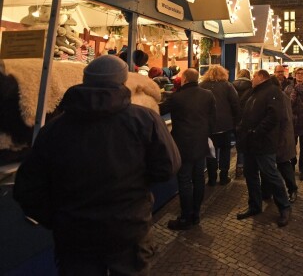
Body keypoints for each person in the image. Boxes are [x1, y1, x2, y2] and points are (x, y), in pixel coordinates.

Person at [13, 55, 181, 275]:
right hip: (128, 230)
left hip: (75, 237)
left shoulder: (53, 130)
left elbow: (28, 187)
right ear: (123, 81)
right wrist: (138, 194)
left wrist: (58, 219)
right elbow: (168, 166)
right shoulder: (145, 119)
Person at [236, 69, 292, 227]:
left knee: (271, 174)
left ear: (261, 77)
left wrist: (256, 131)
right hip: (249, 143)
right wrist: (241, 128)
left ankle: (284, 207)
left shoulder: (273, 92)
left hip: (263, 142)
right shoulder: (253, 92)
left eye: (254, 76)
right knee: (250, 174)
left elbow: (274, 116)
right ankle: (255, 205)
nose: (252, 79)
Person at [161, 68, 216, 230]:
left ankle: (185, 217)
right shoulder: (207, 95)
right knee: (198, 179)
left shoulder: (176, 97)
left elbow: (158, 110)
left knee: (184, 181)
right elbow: (213, 119)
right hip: (200, 144)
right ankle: (196, 214)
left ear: (184, 79)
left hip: (182, 145)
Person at [200, 65, 241, 186]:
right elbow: (235, 104)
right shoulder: (227, 86)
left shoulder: (201, 86)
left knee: (211, 151)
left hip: (208, 126)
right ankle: (223, 176)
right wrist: (237, 121)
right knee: (225, 150)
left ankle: (212, 178)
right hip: (225, 125)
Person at [262, 76, 298, 203]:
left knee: (282, 164)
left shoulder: (278, 97)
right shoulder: (281, 95)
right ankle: (267, 192)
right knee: (270, 165)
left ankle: (292, 189)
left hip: (279, 136)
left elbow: (280, 118)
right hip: (281, 135)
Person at [232, 69, 253, 179]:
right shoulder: (252, 87)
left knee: (238, 143)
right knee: (246, 144)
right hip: (246, 119)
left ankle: (239, 167)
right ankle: (242, 166)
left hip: (234, 119)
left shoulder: (231, 85)